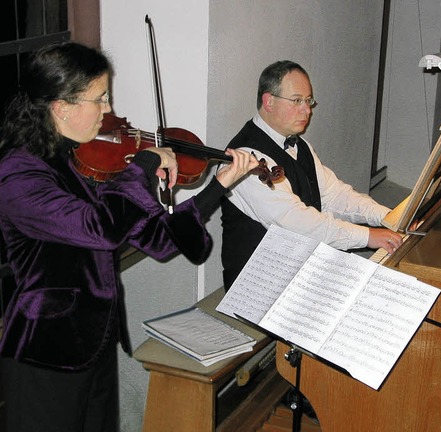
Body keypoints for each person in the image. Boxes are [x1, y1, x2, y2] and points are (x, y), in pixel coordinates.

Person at [0, 42, 258, 432]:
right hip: (46, 352)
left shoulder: (78, 160)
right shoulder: (18, 175)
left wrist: (218, 186)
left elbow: (161, 240)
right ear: (61, 107)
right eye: (100, 98)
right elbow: (99, 229)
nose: (108, 110)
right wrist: (143, 163)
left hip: (96, 343)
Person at [221, 60, 403, 288]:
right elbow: (298, 223)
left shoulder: (301, 146)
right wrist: (368, 236)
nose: (307, 110)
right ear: (269, 101)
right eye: (297, 101)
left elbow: (336, 196)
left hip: (301, 271)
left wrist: (388, 217)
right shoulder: (244, 160)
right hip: (258, 287)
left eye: (308, 101)